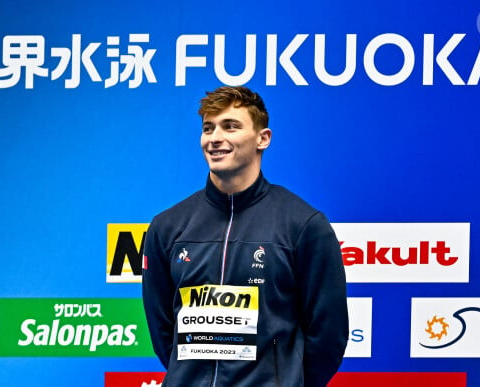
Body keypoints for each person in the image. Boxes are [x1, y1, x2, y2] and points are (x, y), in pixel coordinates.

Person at [142, 86, 348, 386]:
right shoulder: (167, 226)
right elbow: (163, 331)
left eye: (230, 126)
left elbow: (328, 336)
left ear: (263, 139)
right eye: (208, 128)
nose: (214, 138)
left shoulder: (304, 225)